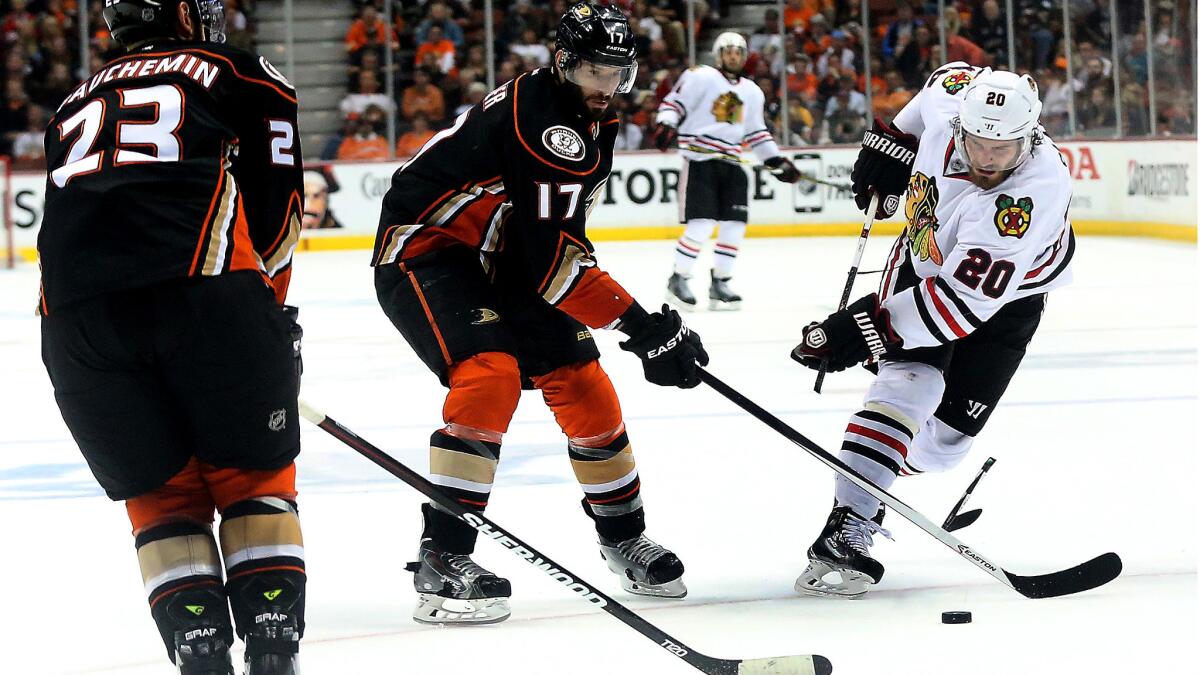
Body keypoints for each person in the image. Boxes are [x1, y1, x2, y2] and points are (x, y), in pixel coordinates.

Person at [371, 1, 708, 626]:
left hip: (505, 256)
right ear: (563, 64)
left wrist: (635, 325)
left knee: (585, 384)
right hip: (429, 249)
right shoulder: (549, 126)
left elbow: (555, 243)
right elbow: (554, 266)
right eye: (595, 73)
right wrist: (641, 324)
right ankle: (443, 557)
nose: (607, 88)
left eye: (618, 74)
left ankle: (623, 537)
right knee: (489, 375)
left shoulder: (584, 118)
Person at [38, 0, 306, 672]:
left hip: (74, 325)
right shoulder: (243, 73)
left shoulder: (71, 101)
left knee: (162, 498)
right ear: (185, 12)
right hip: (201, 295)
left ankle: (200, 653)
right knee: (253, 480)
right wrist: (270, 309)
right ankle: (272, 652)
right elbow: (278, 213)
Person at [791, 64, 1074, 598]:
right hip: (924, 257)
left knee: (944, 447)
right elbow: (935, 89)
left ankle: (880, 466)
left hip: (1008, 297)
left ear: (1030, 136)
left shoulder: (1032, 194)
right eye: (977, 143)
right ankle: (849, 523)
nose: (987, 159)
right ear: (962, 122)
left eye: (1003, 148)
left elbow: (957, 307)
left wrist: (861, 327)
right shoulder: (953, 99)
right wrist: (893, 140)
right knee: (909, 387)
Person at [652, 31, 800, 311]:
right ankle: (679, 277)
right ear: (719, 54)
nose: (733, 55)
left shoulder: (752, 91)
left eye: (738, 51)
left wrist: (777, 161)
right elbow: (674, 103)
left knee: (734, 227)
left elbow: (757, 133)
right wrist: (666, 124)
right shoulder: (700, 76)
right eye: (728, 50)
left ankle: (721, 282)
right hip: (700, 161)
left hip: (732, 164)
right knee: (702, 224)